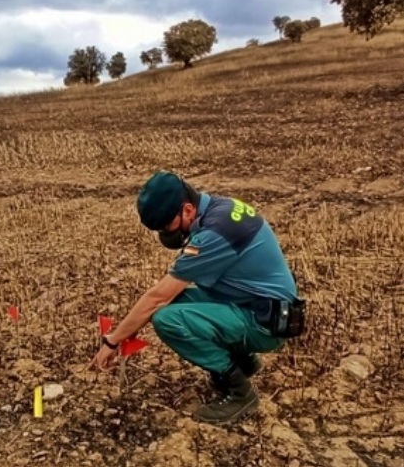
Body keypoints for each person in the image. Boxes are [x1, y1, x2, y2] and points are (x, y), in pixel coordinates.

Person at [90, 171, 304, 425]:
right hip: (258, 305)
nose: (165, 233)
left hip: (265, 323)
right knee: (176, 302)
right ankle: (244, 363)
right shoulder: (219, 209)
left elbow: (157, 297)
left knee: (167, 319)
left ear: (188, 210)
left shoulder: (214, 234)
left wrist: (113, 341)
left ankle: (240, 393)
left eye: (166, 226)